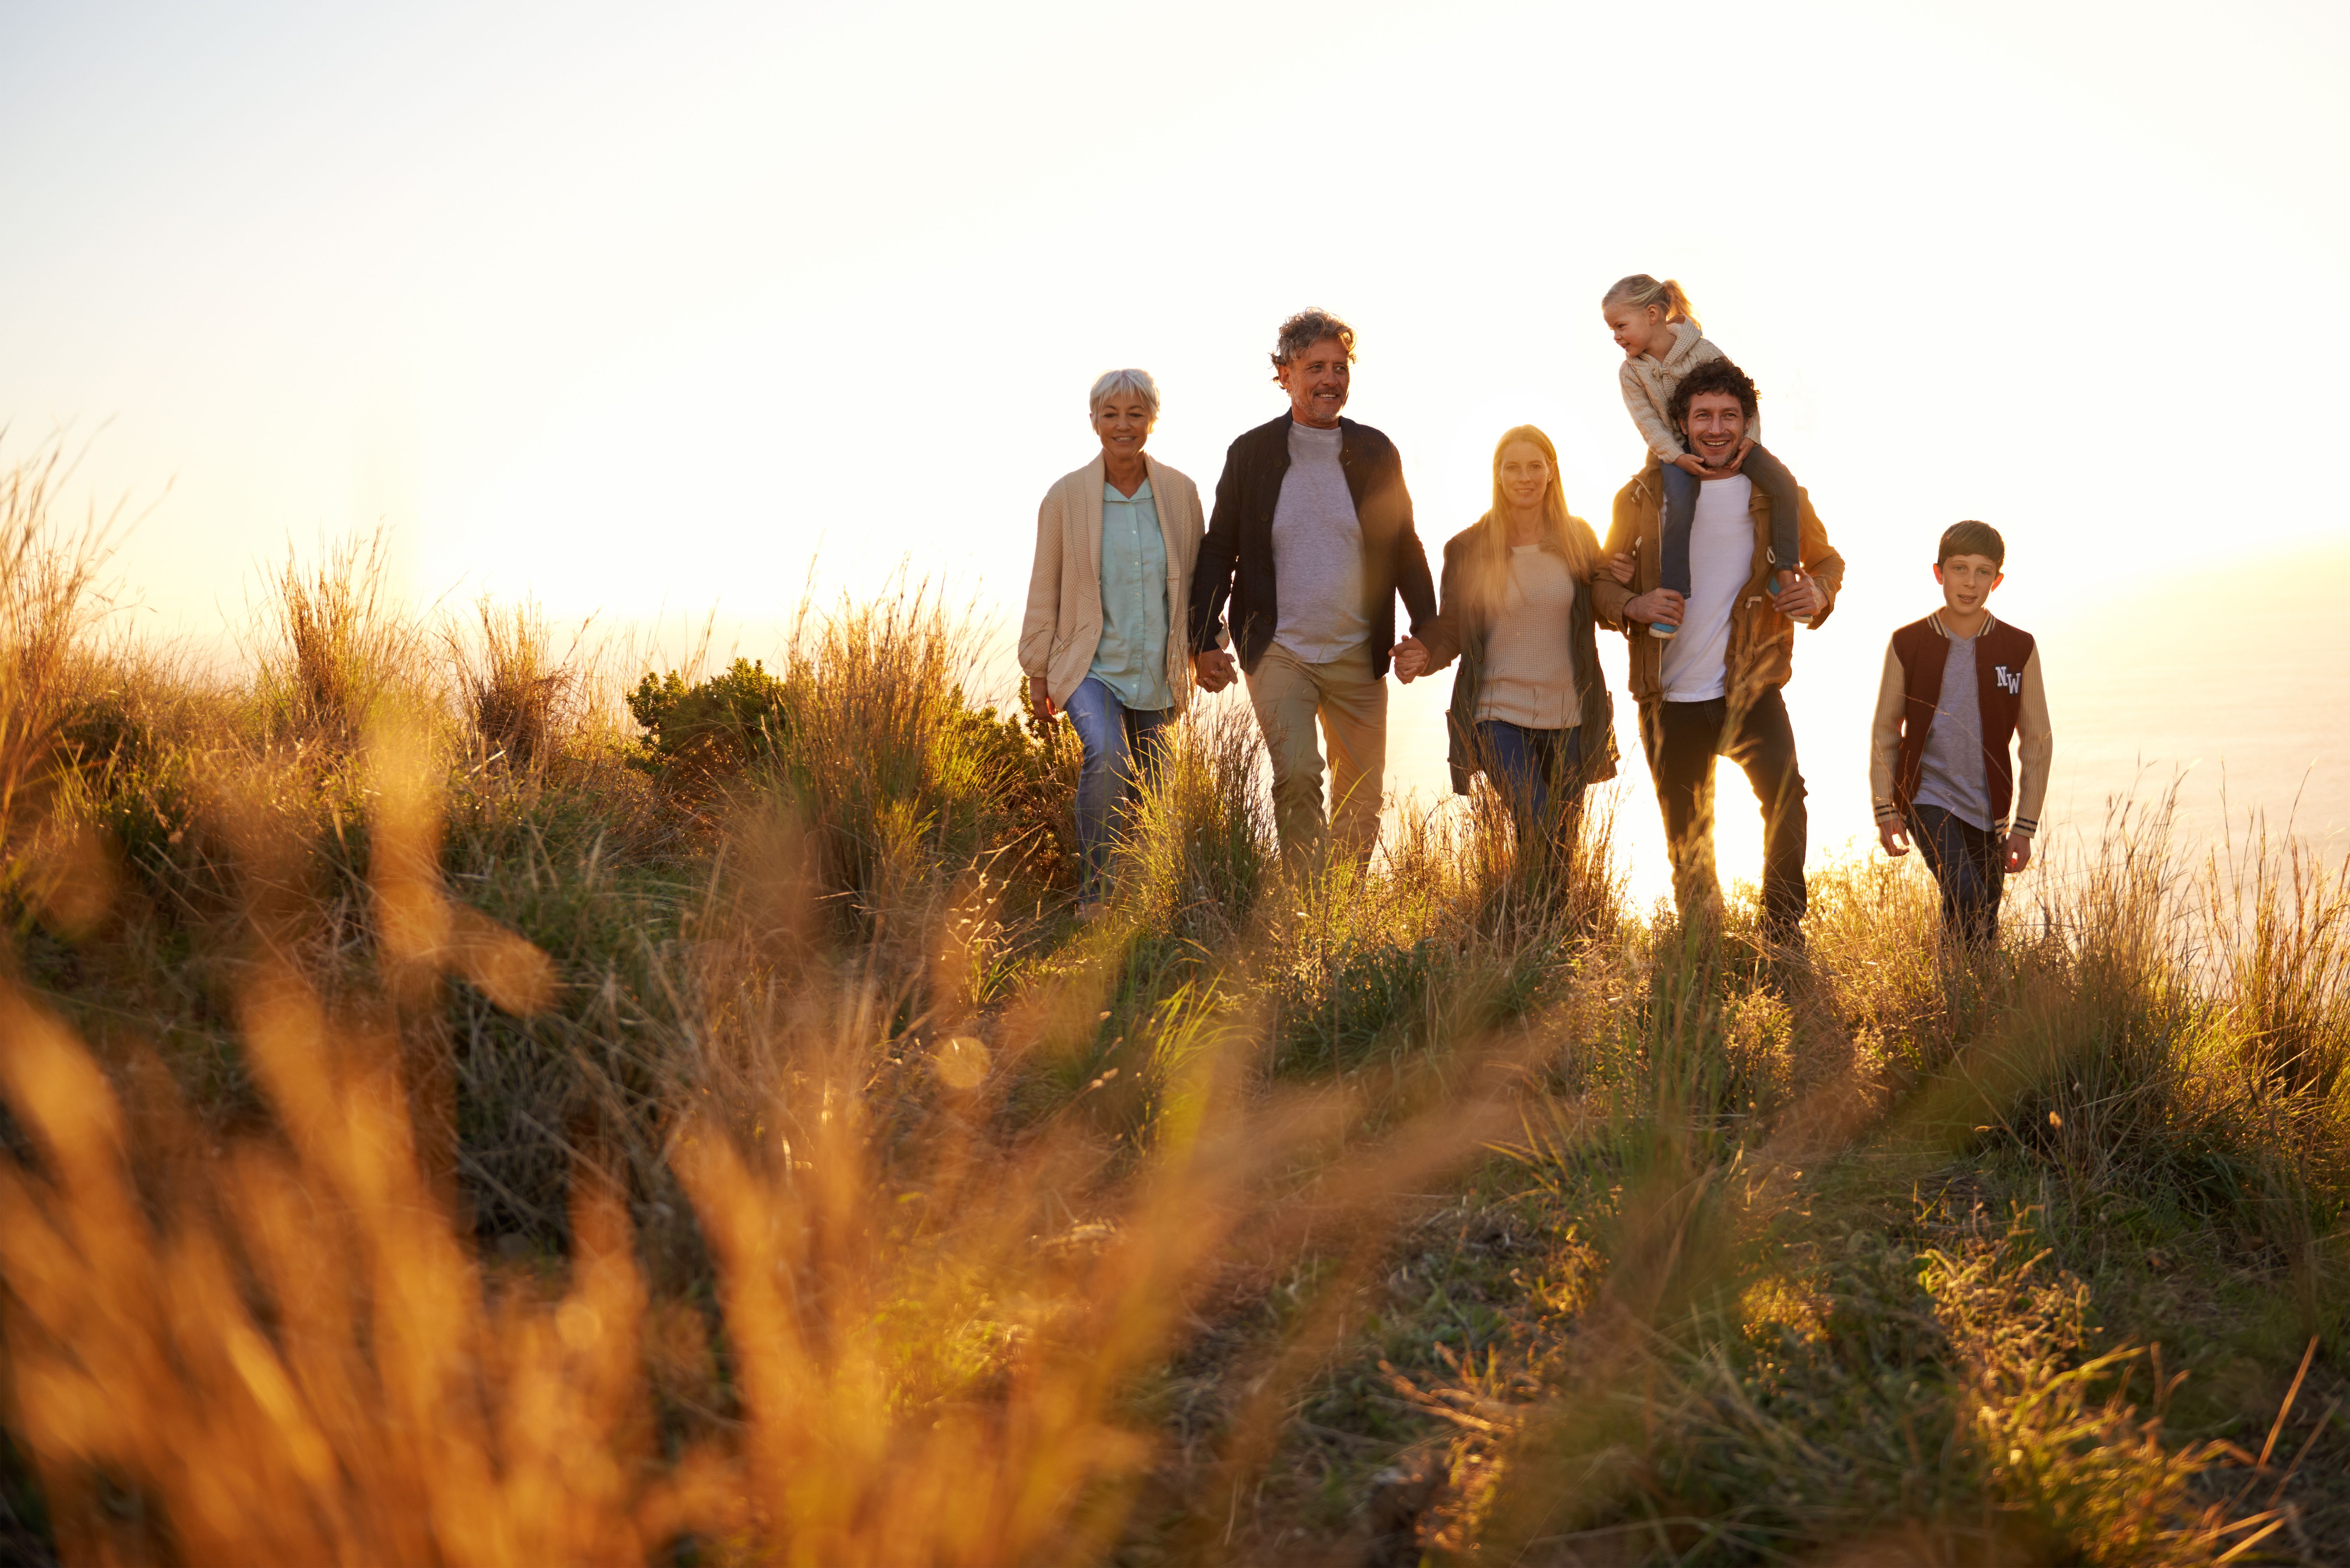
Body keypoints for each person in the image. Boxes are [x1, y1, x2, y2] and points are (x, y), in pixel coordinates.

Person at [1592, 357, 1844, 947]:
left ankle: (1781, 933)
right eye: (1702, 414)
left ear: (1747, 422)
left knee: (1787, 801)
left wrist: (1818, 590)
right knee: (1688, 835)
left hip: (1751, 685)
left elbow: (1828, 560)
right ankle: (1704, 946)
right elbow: (1601, 582)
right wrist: (1633, 604)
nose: (1715, 427)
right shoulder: (1642, 493)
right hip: (1668, 696)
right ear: (1680, 421)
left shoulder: (1777, 495)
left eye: (1728, 416)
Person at [1189, 309, 1436, 873]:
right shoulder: (1251, 453)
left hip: (1357, 650)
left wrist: (1428, 631)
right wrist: (1201, 639)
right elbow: (1218, 548)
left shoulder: (1376, 451)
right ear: (1285, 374)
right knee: (1298, 774)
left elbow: (1404, 546)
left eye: (1340, 367)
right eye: (1316, 367)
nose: (1331, 379)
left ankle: (1339, 916)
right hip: (1278, 649)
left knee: (1361, 796)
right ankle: (1306, 903)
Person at [1020, 368, 1207, 919]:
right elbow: (1044, 585)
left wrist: (1207, 648)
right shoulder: (1065, 497)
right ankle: (1095, 894)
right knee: (1107, 755)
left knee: (1157, 783)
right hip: (1089, 666)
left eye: (1134, 414)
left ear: (1151, 419)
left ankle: (1149, 894)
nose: (1122, 425)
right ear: (1094, 421)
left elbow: (1199, 582)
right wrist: (1037, 671)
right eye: (1110, 415)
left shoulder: (1179, 493)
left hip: (1157, 668)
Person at [1391, 425, 1616, 862]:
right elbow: (1453, 627)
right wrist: (1422, 653)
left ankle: (1535, 926)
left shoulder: (1579, 539)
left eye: (1535, 466)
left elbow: (1605, 606)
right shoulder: (1469, 547)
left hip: (1569, 713)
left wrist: (1630, 585)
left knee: (1560, 843)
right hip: (1497, 712)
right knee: (1538, 821)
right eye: (1512, 467)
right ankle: (1536, 921)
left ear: (1552, 471)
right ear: (1497, 475)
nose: (1524, 477)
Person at [1869, 521, 2052, 949]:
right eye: (1959, 569)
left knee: (1981, 923)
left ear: (1997, 580)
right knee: (1966, 891)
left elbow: (2037, 741)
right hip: (1926, 797)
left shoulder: (2018, 648)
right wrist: (1885, 808)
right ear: (1939, 573)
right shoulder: (1908, 643)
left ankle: (1960, 1002)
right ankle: (1956, 995)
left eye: (1982, 571)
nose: (1969, 583)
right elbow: (1885, 730)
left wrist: (2024, 827)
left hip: (1990, 809)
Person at [1601, 274, 1804, 638]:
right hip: (1671, 452)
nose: (1616, 336)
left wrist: (1750, 441)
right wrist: (1676, 458)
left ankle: (1784, 571)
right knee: (1681, 502)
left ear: (1651, 314)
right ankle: (1675, 594)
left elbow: (1744, 397)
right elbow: (1648, 422)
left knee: (1783, 483)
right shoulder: (1631, 372)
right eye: (1612, 329)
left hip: (1729, 444)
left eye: (1620, 326)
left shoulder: (1702, 350)